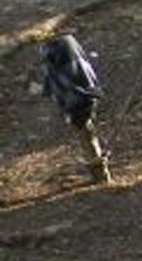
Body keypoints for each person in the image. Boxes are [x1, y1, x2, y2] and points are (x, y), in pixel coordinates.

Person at [40, 33, 111, 183]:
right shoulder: (64, 49)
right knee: (86, 133)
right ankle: (99, 171)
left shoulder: (60, 52)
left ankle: (101, 175)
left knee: (86, 133)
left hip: (79, 101)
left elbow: (71, 78)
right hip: (80, 98)